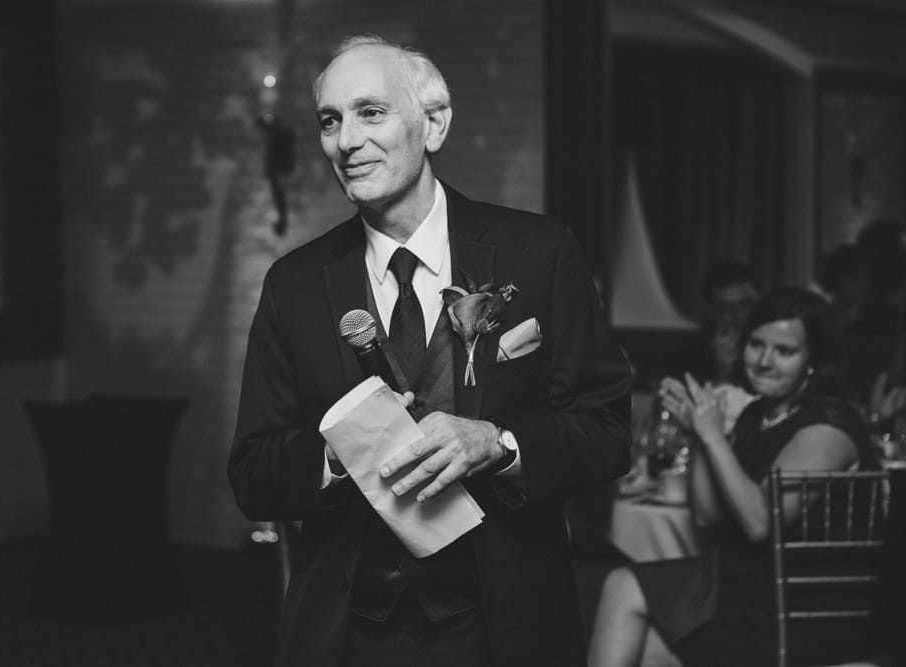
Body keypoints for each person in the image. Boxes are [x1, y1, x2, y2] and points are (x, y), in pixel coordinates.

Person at [227, 35, 633, 667]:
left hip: (506, 623)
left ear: (434, 123)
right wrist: (340, 456)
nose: (346, 141)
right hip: (351, 629)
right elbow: (254, 472)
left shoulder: (541, 253)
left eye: (371, 112)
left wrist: (497, 444)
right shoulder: (296, 284)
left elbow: (606, 433)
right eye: (330, 121)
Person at [588, 286, 880, 667]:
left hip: (796, 609)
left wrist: (713, 435)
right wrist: (699, 432)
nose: (764, 361)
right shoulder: (755, 416)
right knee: (623, 595)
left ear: (813, 360)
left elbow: (760, 522)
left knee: (629, 602)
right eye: (756, 345)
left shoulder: (830, 426)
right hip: (741, 583)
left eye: (784, 351)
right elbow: (707, 516)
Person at [664, 260, 758, 386]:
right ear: (712, 313)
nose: (740, 316)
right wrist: (724, 371)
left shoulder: (776, 345)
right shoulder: (688, 357)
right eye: (727, 309)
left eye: (746, 304)